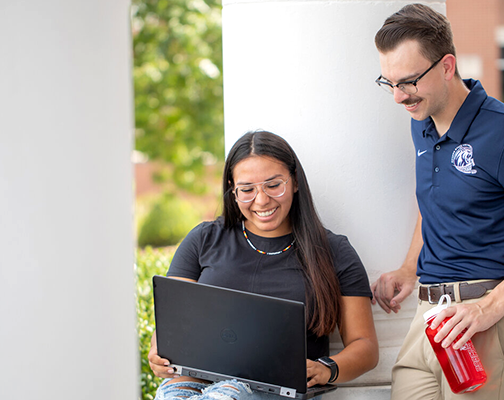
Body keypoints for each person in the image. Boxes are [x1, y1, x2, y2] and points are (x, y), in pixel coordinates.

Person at [370, 4, 504, 400]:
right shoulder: (423, 125)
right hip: (430, 320)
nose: (399, 97)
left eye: (409, 82)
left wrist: (487, 309)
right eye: (389, 82)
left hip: (490, 323)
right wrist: (408, 268)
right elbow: (434, 202)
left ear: (447, 66)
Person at [148, 130, 379, 400]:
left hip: (274, 390)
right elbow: (172, 325)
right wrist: (158, 353)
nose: (261, 200)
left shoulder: (334, 251)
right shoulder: (204, 239)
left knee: (227, 394)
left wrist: (327, 369)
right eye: (246, 190)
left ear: (294, 181)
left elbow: (366, 346)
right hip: (194, 382)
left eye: (273, 185)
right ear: (233, 192)